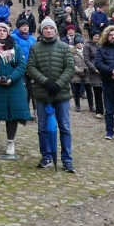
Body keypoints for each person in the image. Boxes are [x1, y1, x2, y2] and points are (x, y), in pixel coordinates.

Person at [26, 18, 76, 172]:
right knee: (42, 128)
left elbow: (70, 68)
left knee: (65, 128)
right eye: (46, 28)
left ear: (55, 30)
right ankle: (46, 156)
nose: (48, 31)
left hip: (61, 95)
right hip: (43, 94)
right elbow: (31, 67)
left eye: (51, 28)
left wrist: (59, 84)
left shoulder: (64, 47)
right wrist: (45, 82)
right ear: (42, 31)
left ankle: (67, 159)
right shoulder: (35, 48)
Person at [0, 22, 31, 156]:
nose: (2, 32)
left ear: (8, 32)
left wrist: (10, 78)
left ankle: (10, 142)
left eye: (4, 30)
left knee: (12, 115)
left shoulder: (16, 47)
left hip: (13, 86)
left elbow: (21, 65)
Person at [13, 18, 37, 116]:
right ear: (19, 28)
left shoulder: (32, 39)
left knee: (31, 90)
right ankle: (21, 111)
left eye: (27, 26)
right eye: (23, 26)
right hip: (20, 68)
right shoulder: (14, 37)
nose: (25, 28)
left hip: (31, 68)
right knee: (22, 90)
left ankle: (28, 111)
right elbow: (15, 52)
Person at [83, 32, 103, 119]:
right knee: (97, 92)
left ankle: (110, 111)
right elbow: (87, 59)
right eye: (95, 36)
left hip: (104, 70)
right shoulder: (87, 46)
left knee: (107, 92)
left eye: (98, 36)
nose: (97, 37)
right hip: (94, 71)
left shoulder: (102, 45)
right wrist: (94, 69)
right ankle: (99, 111)